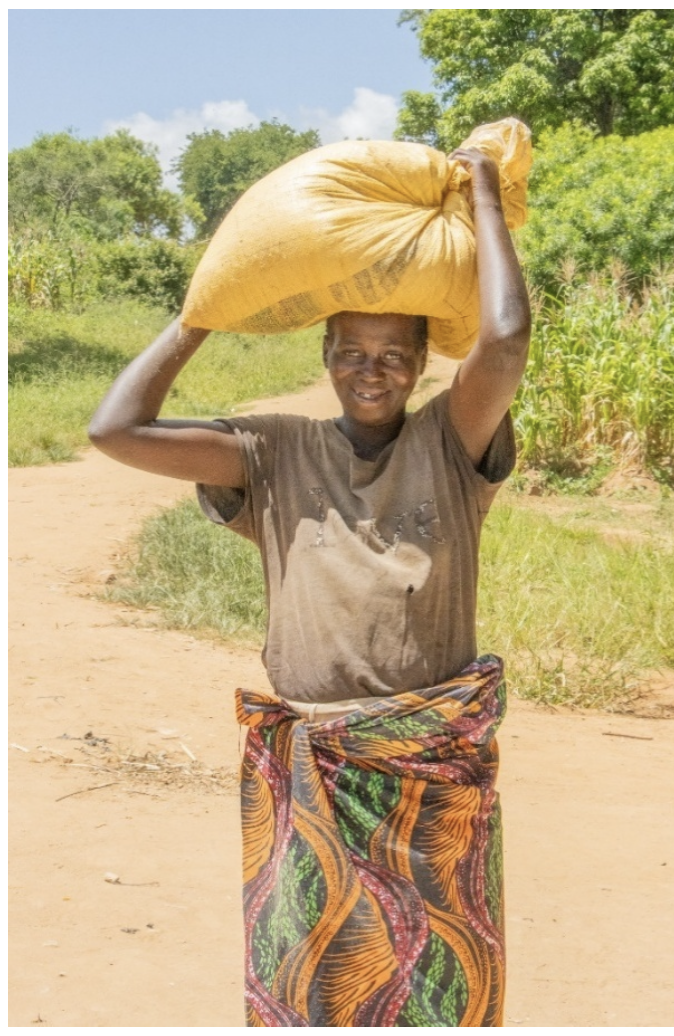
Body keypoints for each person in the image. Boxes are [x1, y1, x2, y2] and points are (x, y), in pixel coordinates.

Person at [89, 148, 531, 1027]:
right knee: (312, 984)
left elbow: (507, 338)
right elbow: (116, 429)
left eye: (394, 355)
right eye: (353, 352)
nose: (373, 371)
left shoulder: (451, 443)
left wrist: (483, 187)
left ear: (421, 364)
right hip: (311, 773)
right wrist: (202, 316)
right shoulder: (273, 452)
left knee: (444, 992)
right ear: (326, 355)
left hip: (427, 772)